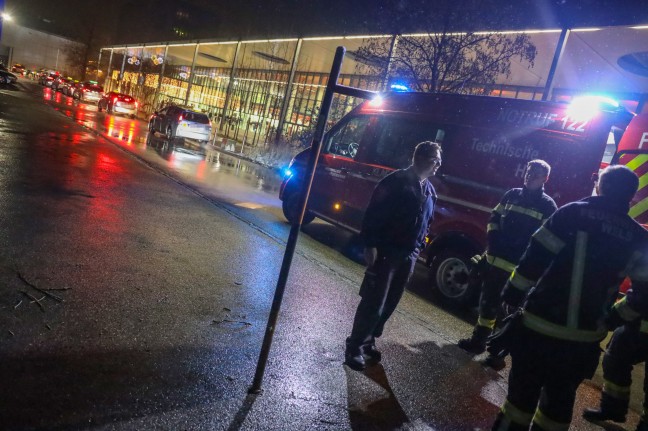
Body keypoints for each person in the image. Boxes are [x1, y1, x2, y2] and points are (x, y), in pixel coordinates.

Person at [489, 165, 648, 431]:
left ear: (600, 186)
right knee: (558, 407)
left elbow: (534, 258)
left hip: (539, 329)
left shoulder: (571, 213)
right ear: (631, 196)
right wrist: (612, 318)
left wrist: (512, 295)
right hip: (581, 343)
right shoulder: (638, 237)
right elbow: (643, 295)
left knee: (519, 403)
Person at [344, 141, 442, 371]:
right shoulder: (395, 182)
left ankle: (369, 339)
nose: (438, 165)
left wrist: (419, 246)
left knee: (390, 302)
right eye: (435, 160)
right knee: (374, 300)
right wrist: (370, 245)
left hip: (409, 255)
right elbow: (373, 214)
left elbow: (427, 222)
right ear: (422, 158)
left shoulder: (429, 190)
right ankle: (355, 345)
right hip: (387, 252)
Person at [458, 160, 557, 370]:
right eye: (529, 171)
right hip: (496, 261)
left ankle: (497, 354)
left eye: (536, 174)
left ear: (545, 179)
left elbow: (545, 241)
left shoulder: (548, 206)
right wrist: (493, 242)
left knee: (510, 313)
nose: (530, 176)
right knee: (487, 305)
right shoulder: (511, 194)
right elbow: (494, 217)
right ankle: (478, 342)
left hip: (520, 270)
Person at [582, 308, 648, 431]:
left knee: (617, 349)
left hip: (641, 322)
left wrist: (613, 316)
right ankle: (613, 407)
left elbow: (638, 296)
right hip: (641, 323)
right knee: (616, 350)